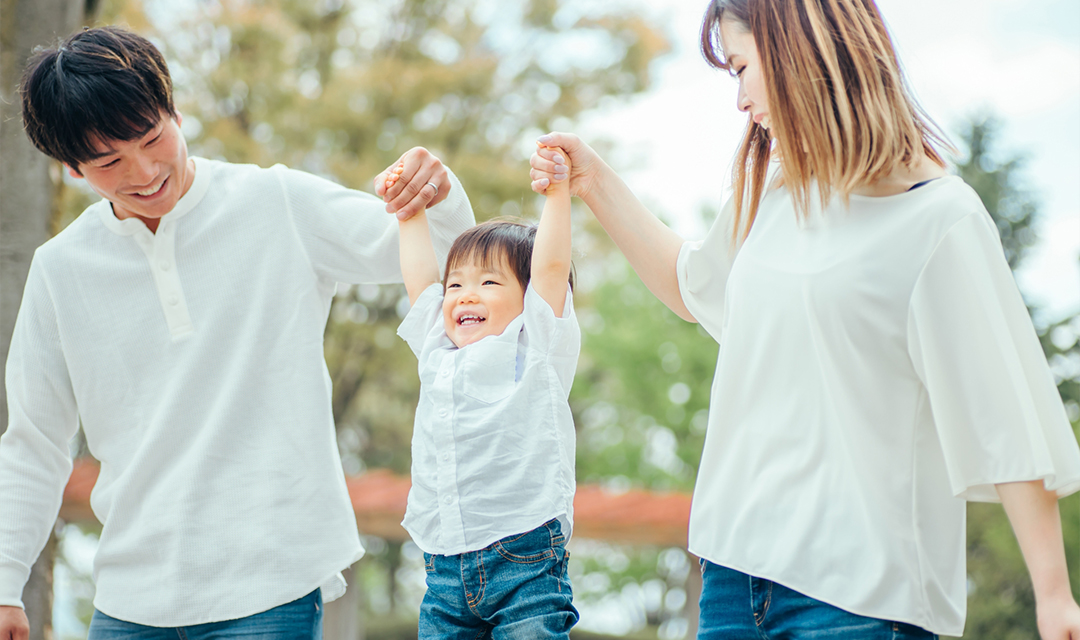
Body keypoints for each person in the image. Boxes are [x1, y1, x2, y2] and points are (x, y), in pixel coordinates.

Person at [529, 0, 1080, 638]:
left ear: (798, 50)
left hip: (862, 599)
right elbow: (693, 286)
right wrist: (593, 180)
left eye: (740, 67)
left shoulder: (940, 218)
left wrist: (1054, 595)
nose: (738, 99)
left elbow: (1002, 410)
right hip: (733, 583)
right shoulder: (776, 194)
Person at [0, 25, 475, 639]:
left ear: (174, 109)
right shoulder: (61, 270)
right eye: (110, 162)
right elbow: (34, 440)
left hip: (269, 582)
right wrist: (4, 580)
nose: (145, 172)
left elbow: (442, 258)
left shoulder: (275, 202)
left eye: (152, 138)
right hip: (128, 596)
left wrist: (435, 188)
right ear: (71, 167)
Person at [393, 145, 580, 637]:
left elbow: (552, 269)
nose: (464, 295)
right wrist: (408, 211)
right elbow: (420, 281)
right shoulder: (437, 351)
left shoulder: (535, 346)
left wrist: (557, 194)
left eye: (489, 281)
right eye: (455, 286)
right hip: (443, 566)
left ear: (527, 301)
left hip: (525, 555)